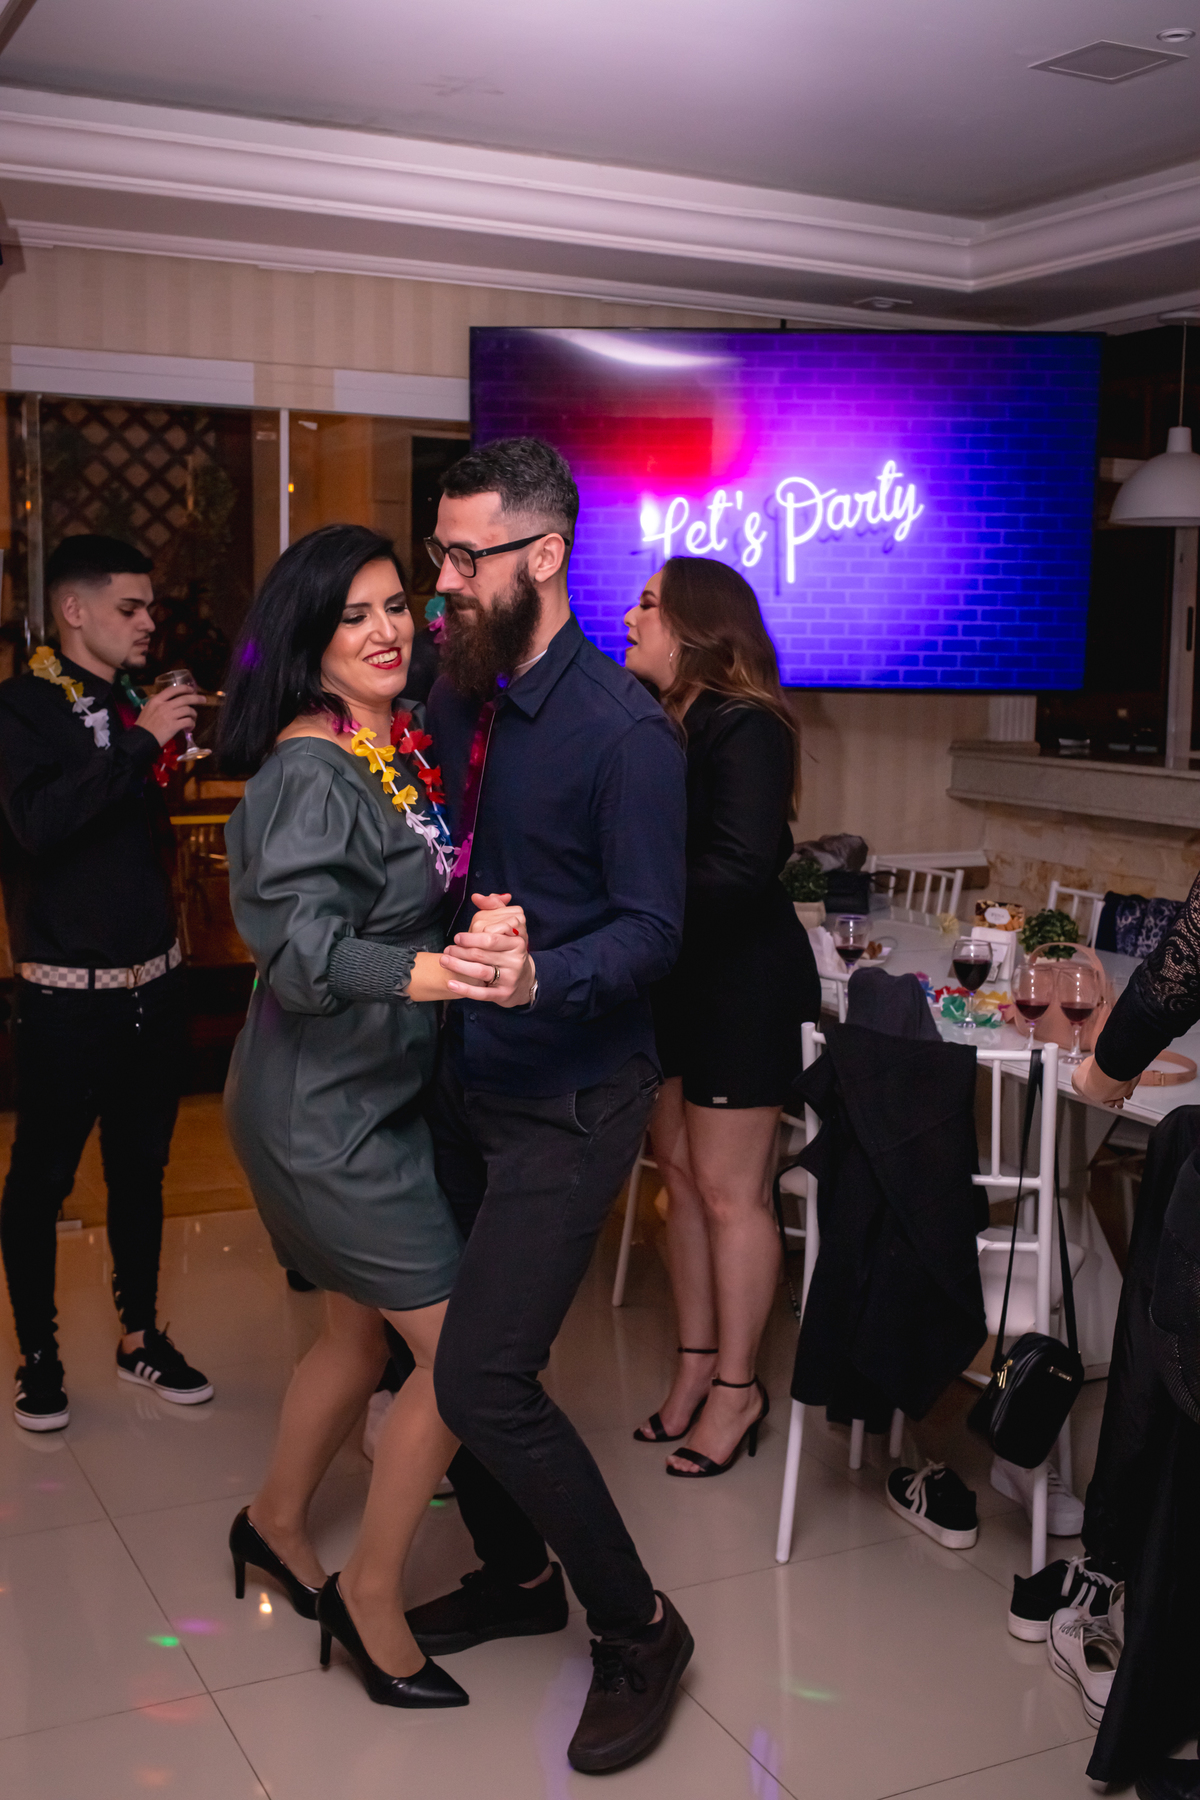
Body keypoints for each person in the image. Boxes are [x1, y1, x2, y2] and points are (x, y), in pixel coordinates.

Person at [407, 437, 693, 1775]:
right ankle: (518, 1576)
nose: (443, 582)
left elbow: (655, 932)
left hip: (571, 1098)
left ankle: (640, 1628)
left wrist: (540, 978)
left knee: (482, 1373)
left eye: (466, 558)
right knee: (429, 1349)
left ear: (545, 556)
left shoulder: (626, 732)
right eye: (439, 553)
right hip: (465, 1078)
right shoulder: (457, 692)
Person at [217, 524, 534, 1709]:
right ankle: (372, 1597)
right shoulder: (310, 771)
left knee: (355, 1342)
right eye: (353, 616)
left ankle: (273, 1522)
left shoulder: (381, 744)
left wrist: (470, 921)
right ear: (308, 642)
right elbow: (304, 959)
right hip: (325, 1117)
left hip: (363, 1094)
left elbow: (394, 899)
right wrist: (446, 974)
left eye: (396, 604)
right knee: (462, 1359)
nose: (388, 630)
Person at [0, 534, 213, 1432]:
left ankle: (139, 1337)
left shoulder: (130, 702)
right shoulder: (20, 708)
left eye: (150, 606)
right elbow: (38, 825)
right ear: (73, 610)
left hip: (153, 987)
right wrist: (139, 746)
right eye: (130, 607)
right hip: (63, 997)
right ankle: (38, 1356)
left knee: (141, 1173)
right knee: (41, 1181)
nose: (148, 622)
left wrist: (165, 755)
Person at [622, 556, 820, 1473]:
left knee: (732, 1194)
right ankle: (696, 1364)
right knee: (681, 1184)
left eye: (648, 604)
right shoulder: (667, 722)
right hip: (675, 980)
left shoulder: (747, 724)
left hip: (740, 983)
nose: (631, 617)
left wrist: (627, 903)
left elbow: (739, 871)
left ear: (695, 627)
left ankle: (739, 1390)